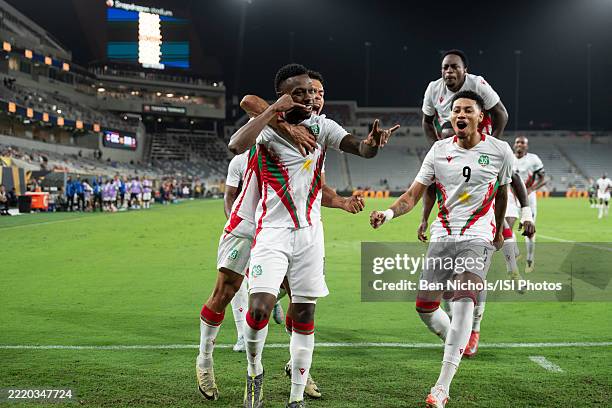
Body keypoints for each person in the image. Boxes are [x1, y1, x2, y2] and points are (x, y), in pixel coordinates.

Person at [227, 63, 398, 408]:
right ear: (284, 96)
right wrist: (278, 117)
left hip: (309, 235)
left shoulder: (323, 127)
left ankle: (295, 398)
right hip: (271, 233)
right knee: (259, 309)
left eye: (314, 92)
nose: (309, 98)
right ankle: (254, 371)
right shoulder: (268, 129)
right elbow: (235, 143)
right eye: (300, 92)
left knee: (304, 315)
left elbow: (359, 148)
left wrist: (372, 145)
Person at [370, 91, 513, 408]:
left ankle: (441, 388)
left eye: (467, 110)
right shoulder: (438, 151)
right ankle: (458, 341)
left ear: (480, 117)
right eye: (455, 110)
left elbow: (503, 193)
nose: (460, 114)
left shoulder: (500, 151)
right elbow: (412, 194)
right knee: (425, 307)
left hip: (478, 234)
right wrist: (389, 213)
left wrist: (500, 229)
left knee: (463, 301)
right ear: (449, 117)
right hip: (443, 234)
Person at [418, 50, 534, 357]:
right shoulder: (433, 90)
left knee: (469, 277)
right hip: (451, 147)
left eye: (454, 67)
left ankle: (474, 328)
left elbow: (503, 114)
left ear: (464, 70)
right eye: (445, 67)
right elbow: (426, 120)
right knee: (446, 284)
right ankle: (459, 327)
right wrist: (439, 148)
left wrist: (490, 145)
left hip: (479, 145)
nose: (449, 72)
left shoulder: (478, 85)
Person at [506, 136, 546, 273]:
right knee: (508, 227)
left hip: (528, 198)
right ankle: (516, 253)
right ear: (514, 145)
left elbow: (543, 178)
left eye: (523, 143)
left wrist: (531, 189)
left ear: (526, 146)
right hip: (511, 197)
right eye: (517, 142)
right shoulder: (508, 157)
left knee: (529, 230)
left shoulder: (533, 159)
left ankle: (530, 260)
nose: (519, 144)